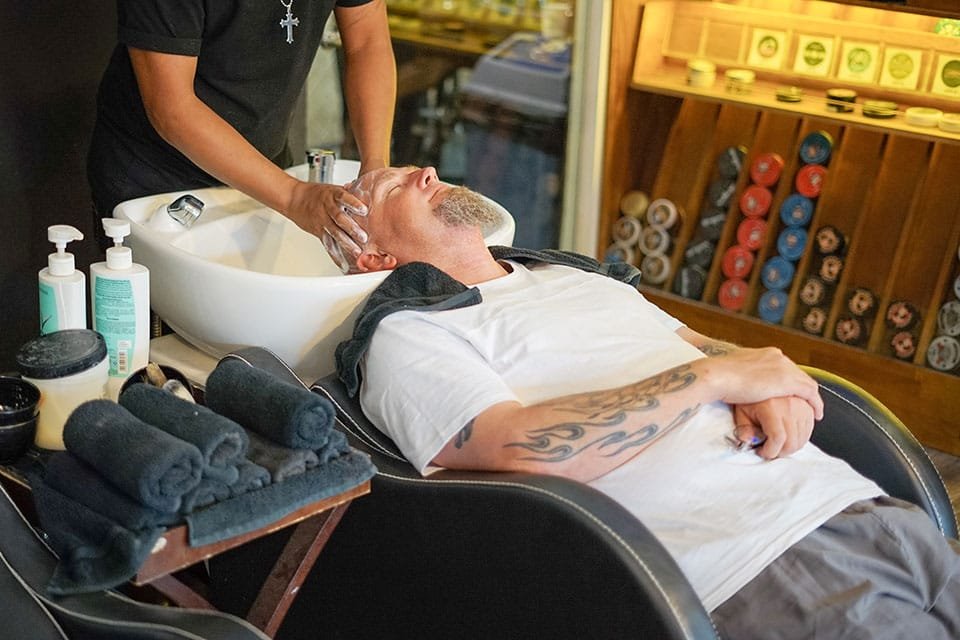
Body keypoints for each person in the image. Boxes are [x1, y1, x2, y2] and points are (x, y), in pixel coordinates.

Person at [329, 165, 960, 638]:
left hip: (866, 511)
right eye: (391, 187)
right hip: (760, 566)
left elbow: (697, 345)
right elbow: (516, 443)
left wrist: (770, 380)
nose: (425, 171)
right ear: (375, 256)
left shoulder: (566, 275)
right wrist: (716, 380)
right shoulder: (409, 331)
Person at [87, 0, 395, 255]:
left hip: (264, 170)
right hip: (155, 179)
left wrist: (375, 168)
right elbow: (171, 108)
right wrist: (295, 197)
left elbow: (367, 39)